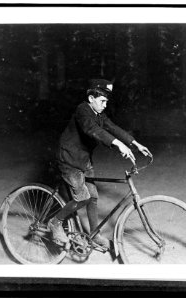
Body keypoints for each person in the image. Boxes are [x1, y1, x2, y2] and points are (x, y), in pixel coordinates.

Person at [48, 79, 152, 248]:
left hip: (84, 159)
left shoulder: (99, 114)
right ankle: (54, 223)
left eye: (106, 101)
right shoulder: (82, 110)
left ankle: (94, 235)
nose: (105, 105)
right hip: (69, 160)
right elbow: (92, 130)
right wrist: (118, 144)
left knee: (93, 198)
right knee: (83, 198)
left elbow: (112, 127)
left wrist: (136, 144)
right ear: (91, 99)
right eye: (102, 101)